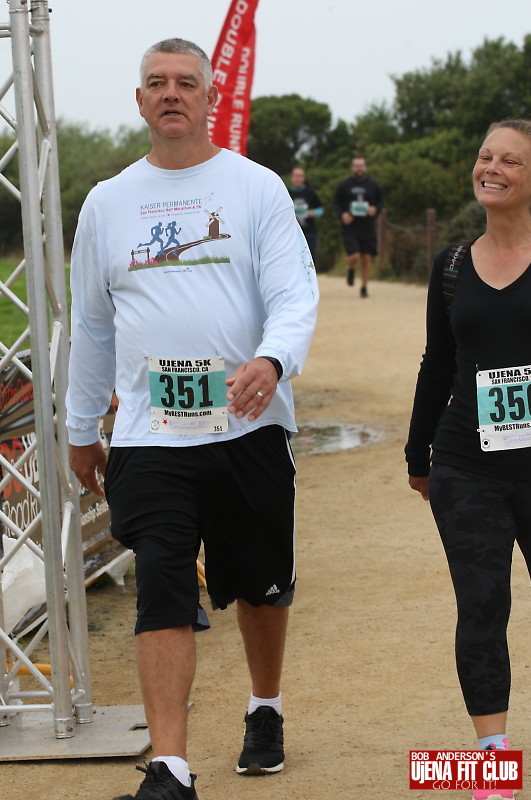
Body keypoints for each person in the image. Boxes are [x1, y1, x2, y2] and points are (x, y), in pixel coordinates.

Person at [66, 38, 318, 800]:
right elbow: (91, 326)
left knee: (260, 585)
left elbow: (293, 293)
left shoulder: (256, 188)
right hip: (151, 432)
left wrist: (271, 359)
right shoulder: (107, 203)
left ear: (210, 98)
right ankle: (170, 770)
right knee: (162, 584)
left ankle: (265, 706)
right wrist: (82, 427)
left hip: (248, 424)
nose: (170, 93)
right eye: (156, 83)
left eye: (185, 82)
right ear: (139, 100)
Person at [405, 119, 531, 800]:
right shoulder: (452, 264)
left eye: (511, 160)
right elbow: (438, 362)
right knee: (481, 607)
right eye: (486, 156)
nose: (493, 168)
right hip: (466, 464)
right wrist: (417, 452)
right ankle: (493, 765)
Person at [333, 156, 383, 297]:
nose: (359, 168)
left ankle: (364, 287)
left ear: (365, 167)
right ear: (352, 168)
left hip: (367, 227)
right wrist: (342, 215)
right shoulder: (344, 185)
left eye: (361, 165)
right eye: (356, 166)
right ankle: (350, 268)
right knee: (354, 255)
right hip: (350, 227)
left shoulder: (373, 185)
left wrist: (375, 210)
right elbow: (336, 202)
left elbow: (380, 203)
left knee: (366, 258)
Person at [287, 166, 323, 262]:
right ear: (291, 177)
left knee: (309, 260)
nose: (298, 179)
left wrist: (311, 213)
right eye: (296, 176)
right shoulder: (286, 192)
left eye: (300, 176)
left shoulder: (310, 192)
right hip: (291, 234)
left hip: (309, 232)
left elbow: (320, 210)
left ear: (304, 178)